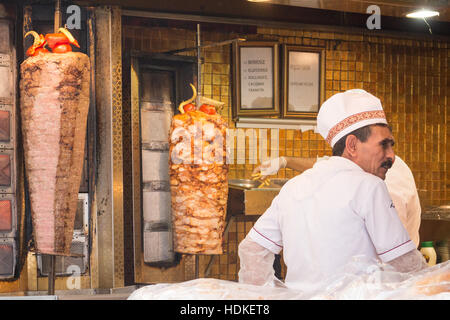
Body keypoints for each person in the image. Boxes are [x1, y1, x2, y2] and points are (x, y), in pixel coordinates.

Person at [238, 89, 427, 290]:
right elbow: (404, 264)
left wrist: (266, 297)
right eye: (384, 145)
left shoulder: (292, 187)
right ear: (352, 145)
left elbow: (252, 249)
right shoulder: (369, 186)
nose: (392, 156)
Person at [254, 154, 422, 247]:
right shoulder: (358, 161)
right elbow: (324, 164)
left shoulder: (387, 174)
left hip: (388, 276)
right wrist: (284, 161)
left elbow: (392, 243)